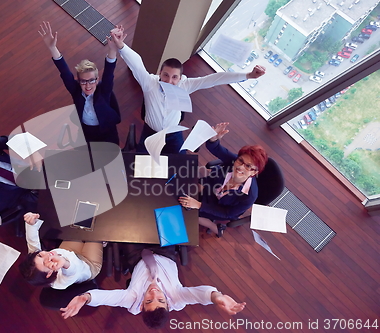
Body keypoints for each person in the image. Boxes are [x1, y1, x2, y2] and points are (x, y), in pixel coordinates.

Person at [110, 27, 266, 154]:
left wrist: (249, 75)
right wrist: (120, 45)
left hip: (173, 135)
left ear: (180, 77)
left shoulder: (185, 85)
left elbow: (215, 79)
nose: (169, 81)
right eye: (165, 75)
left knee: (179, 165)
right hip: (150, 132)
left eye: (174, 77)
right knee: (140, 165)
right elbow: (136, 63)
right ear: (159, 73)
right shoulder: (149, 82)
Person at [59, 248, 246, 329]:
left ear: (141, 306)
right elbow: (200, 294)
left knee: (132, 219)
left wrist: (85, 298)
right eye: (161, 300)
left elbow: (108, 298)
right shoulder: (177, 298)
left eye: (149, 300)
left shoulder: (132, 300)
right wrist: (217, 298)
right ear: (168, 304)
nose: (155, 293)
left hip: (137, 256)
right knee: (163, 209)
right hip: (165, 252)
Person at [178, 122, 268, 237]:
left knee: (191, 213)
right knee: (183, 192)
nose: (240, 167)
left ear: (254, 172)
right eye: (240, 161)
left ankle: (215, 228)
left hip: (221, 207)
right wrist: (213, 140)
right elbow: (216, 148)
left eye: (248, 166)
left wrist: (199, 205)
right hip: (210, 188)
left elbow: (227, 213)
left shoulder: (250, 196)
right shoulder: (233, 161)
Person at [38, 21, 121, 145]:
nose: (87, 86)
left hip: (107, 132)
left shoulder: (104, 90)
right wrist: (52, 48)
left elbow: (109, 72)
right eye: (83, 81)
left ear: (97, 80)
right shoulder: (76, 90)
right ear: (79, 81)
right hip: (86, 132)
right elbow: (64, 72)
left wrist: (113, 49)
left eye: (91, 81)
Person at [19, 212, 103, 289]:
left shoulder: (35, 261)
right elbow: (72, 272)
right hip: (88, 264)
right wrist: (64, 263)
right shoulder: (59, 283)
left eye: (40, 255)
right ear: (49, 274)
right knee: (96, 232)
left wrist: (31, 223)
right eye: (45, 263)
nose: (47, 255)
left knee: (81, 222)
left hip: (69, 250)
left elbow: (32, 241)